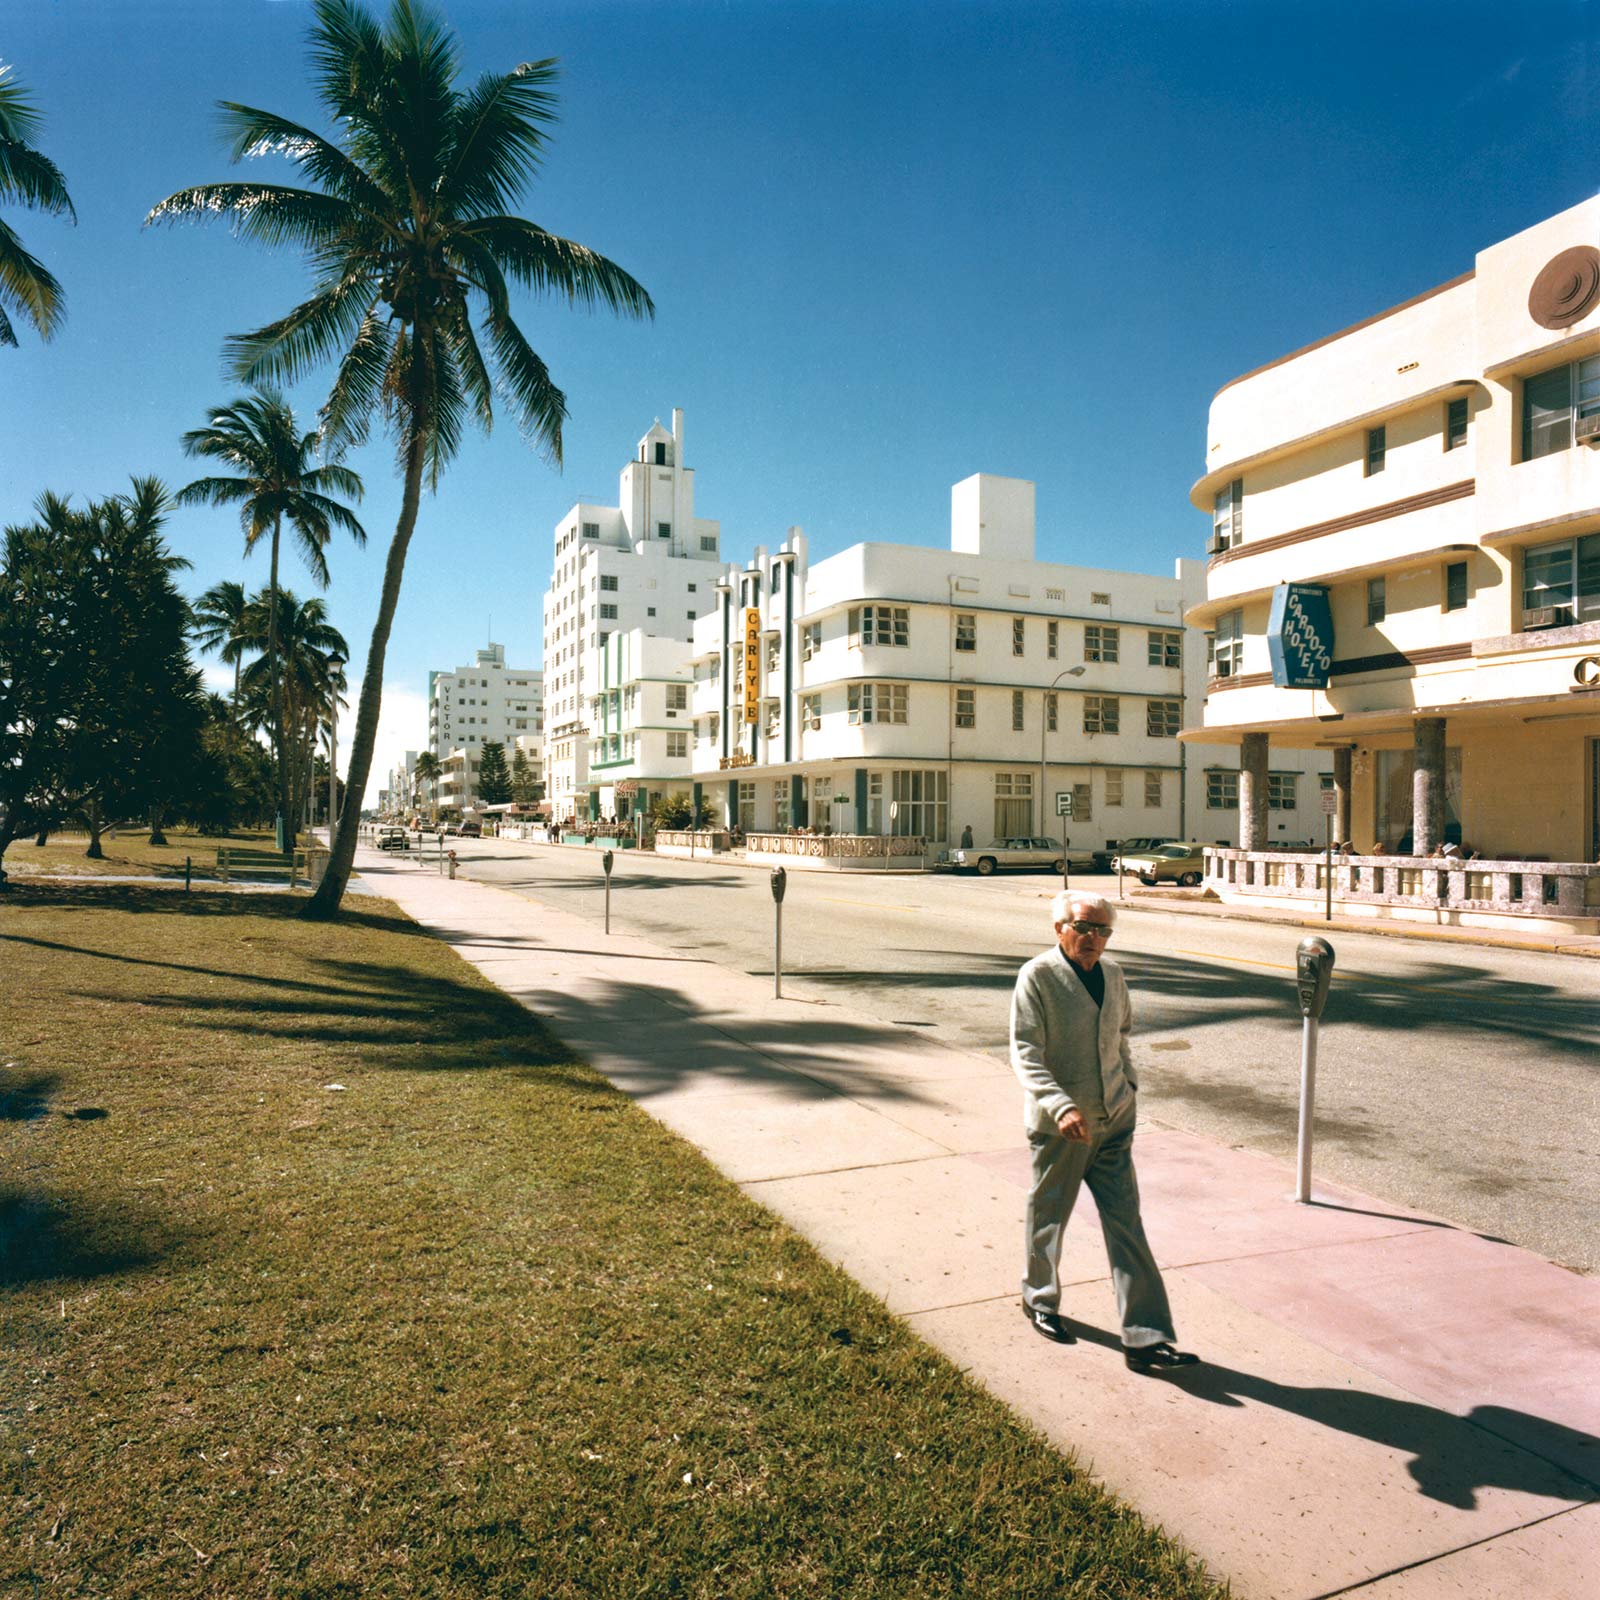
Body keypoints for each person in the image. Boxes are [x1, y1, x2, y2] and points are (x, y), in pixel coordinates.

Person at [1009, 891, 1199, 1373]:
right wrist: (1058, 1105)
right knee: (1049, 1215)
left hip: (1114, 1121)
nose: (1093, 938)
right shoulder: (1038, 976)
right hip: (1062, 1128)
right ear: (1059, 928)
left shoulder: (1113, 975)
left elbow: (1120, 1037)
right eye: (1083, 927)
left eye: (1102, 931)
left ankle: (1145, 1338)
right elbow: (1026, 1051)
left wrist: (1128, 1087)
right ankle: (1040, 1300)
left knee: (1126, 1225)